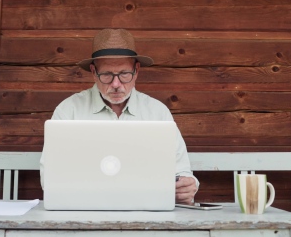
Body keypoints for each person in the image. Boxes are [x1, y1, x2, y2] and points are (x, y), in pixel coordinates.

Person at [41, 28, 198, 205]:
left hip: (146, 213)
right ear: (94, 72)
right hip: (85, 211)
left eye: (124, 74)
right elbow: (49, 179)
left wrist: (186, 187)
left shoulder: (158, 113)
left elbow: (182, 171)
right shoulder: (69, 111)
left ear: (136, 70)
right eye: (107, 75)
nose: (116, 84)